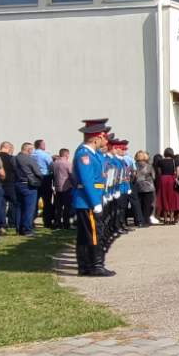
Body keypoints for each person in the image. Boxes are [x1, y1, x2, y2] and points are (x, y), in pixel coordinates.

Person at [70, 119, 113, 277]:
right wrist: (95, 202)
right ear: (96, 138)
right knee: (94, 233)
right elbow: (87, 180)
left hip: (89, 198)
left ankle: (85, 266)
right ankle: (96, 265)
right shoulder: (84, 154)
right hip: (88, 200)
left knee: (85, 234)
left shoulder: (90, 153)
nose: (105, 140)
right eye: (103, 137)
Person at [13, 142, 42, 236]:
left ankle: (18, 228)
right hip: (29, 185)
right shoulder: (29, 159)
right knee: (29, 208)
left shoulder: (13, 159)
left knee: (19, 207)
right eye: (31, 149)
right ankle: (27, 229)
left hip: (17, 183)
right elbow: (38, 172)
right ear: (28, 149)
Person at [154, 149, 179, 223]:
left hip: (163, 179)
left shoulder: (160, 161)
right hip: (171, 179)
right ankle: (172, 218)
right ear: (172, 153)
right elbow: (178, 171)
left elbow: (159, 172)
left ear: (165, 153)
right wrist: (176, 177)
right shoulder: (174, 161)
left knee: (164, 197)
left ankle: (166, 219)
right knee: (171, 198)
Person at [133, 151, 156, 227]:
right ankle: (146, 220)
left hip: (138, 187)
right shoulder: (149, 166)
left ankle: (139, 220)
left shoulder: (134, 165)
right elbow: (153, 176)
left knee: (139, 205)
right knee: (147, 205)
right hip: (148, 187)